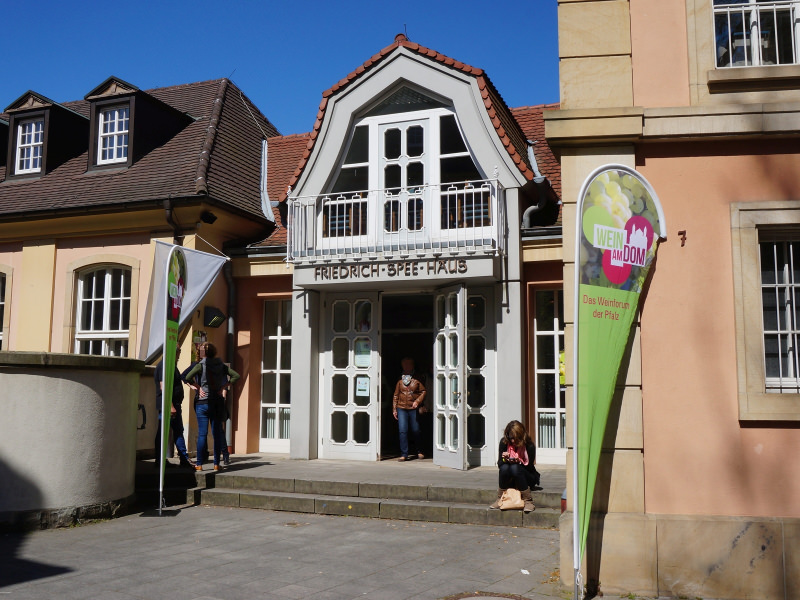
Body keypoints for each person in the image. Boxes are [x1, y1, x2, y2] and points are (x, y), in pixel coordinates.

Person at [183, 342, 240, 472]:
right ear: (214, 352)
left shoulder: (200, 365)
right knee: (216, 433)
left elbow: (187, 377)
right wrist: (224, 387)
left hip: (202, 403)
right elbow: (236, 376)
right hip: (216, 402)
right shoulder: (221, 366)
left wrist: (198, 387)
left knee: (202, 434)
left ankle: (199, 464)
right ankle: (216, 464)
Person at [154, 347, 193, 469]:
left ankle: (183, 458)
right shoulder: (164, 365)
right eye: (178, 351)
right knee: (164, 433)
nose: (179, 354)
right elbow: (163, 387)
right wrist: (170, 406)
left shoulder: (170, 365)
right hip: (168, 405)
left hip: (174, 404)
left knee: (177, 431)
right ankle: (160, 460)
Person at [490, 420, 540, 512]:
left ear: (521, 436)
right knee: (505, 467)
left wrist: (519, 462)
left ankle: (528, 501)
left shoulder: (529, 446)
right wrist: (505, 459)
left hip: (527, 476)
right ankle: (500, 498)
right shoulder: (504, 443)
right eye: (510, 437)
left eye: (515, 438)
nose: (512, 440)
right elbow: (500, 464)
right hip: (511, 477)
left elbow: (529, 467)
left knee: (515, 468)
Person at [392, 357, 426, 462]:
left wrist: (417, 401)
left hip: (413, 407)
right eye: (404, 364)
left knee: (415, 430)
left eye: (408, 364)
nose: (406, 366)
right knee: (403, 430)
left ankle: (419, 450)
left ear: (412, 366)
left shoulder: (417, 377)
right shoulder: (400, 378)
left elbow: (423, 391)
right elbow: (396, 395)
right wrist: (394, 409)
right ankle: (404, 454)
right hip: (401, 407)